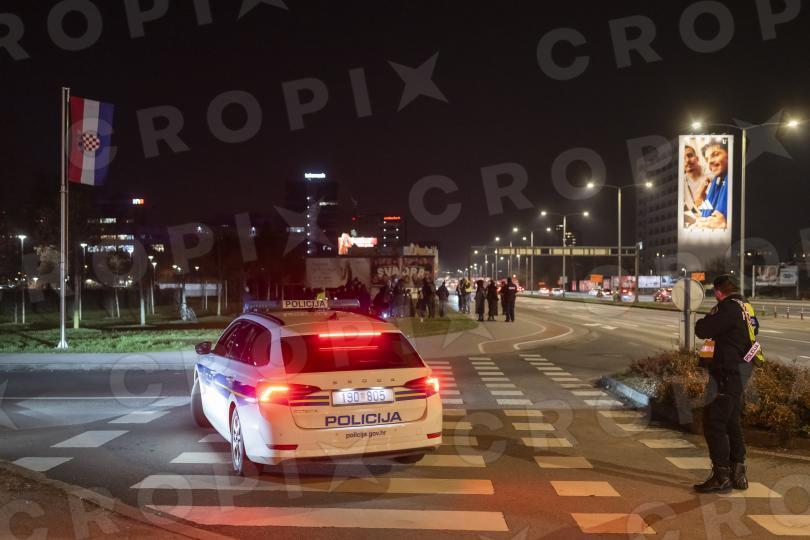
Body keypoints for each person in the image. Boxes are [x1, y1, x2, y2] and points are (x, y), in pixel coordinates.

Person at [693, 274, 757, 494]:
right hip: (741, 371)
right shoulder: (746, 307)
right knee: (731, 421)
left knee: (714, 422)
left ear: (719, 292)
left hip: (726, 373)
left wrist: (707, 317)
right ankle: (738, 472)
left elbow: (702, 330)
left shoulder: (726, 307)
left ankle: (721, 476)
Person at [694, 141, 729, 230]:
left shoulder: (730, 177)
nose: (709, 162)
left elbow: (718, 220)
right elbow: (705, 214)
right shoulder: (717, 180)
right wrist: (700, 192)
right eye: (707, 159)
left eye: (715, 155)